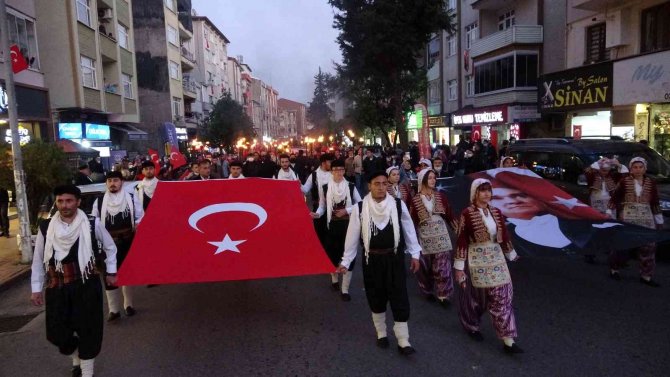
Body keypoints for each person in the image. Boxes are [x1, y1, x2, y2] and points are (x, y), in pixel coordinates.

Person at [30, 185, 118, 377]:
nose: (64, 205)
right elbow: (38, 260)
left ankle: (86, 370)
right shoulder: (46, 227)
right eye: (60, 201)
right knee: (55, 332)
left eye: (69, 201)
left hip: (86, 284)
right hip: (57, 286)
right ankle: (76, 355)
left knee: (89, 329)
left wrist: (111, 271)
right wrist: (36, 288)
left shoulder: (92, 223)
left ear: (78, 202)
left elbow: (111, 248)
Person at [338, 171, 422, 355]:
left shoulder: (398, 205)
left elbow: (409, 230)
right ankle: (381, 333)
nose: (381, 187)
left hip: (395, 259)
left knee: (399, 295)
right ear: (369, 186)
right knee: (376, 296)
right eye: (377, 183)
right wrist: (346, 261)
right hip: (372, 260)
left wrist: (415, 254)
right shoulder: (360, 209)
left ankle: (403, 339)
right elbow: (351, 238)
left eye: (385, 183)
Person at [454, 179, 523, 354]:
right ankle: (472, 325)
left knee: (503, 296)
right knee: (477, 299)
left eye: (489, 190)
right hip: (476, 259)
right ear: (475, 193)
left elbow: (504, 236)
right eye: (482, 190)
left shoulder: (497, 212)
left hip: (496, 258)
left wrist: (512, 254)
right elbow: (461, 240)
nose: (487, 194)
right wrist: (459, 267)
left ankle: (508, 340)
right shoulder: (467, 213)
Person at [92, 171, 143, 321]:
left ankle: (128, 305)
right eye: (109, 181)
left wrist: (139, 226)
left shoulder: (131, 198)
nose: (112, 183)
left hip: (127, 242)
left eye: (115, 180)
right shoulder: (99, 201)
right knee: (109, 275)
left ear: (121, 182)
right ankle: (113, 310)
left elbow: (140, 217)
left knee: (126, 273)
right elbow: (94, 222)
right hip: (107, 245)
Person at [311, 159, 362, 300]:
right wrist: (318, 213)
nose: (339, 172)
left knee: (349, 256)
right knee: (332, 255)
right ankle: (334, 279)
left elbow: (361, 204)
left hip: (349, 227)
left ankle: (345, 289)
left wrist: (346, 210)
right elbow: (322, 205)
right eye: (336, 170)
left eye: (341, 170)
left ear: (344, 171)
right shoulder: (326, 187)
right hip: (332, 226)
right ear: (331, 171)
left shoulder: (351, 186)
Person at [609, 157, 663, 286]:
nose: (638, 170)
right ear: (631, 169)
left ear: (645, 168)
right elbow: (615, 198)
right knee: (622, 245)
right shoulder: (624, 181)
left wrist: (659, 220)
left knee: (648, 246)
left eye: (640, 167)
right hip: (628, 218)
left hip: (646, 219)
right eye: (635, 167)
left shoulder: (651, 182)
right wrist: (609, 214)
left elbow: (655, 202)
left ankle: (646, 275)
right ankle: (614, 269)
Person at [409, 168, 458, 307]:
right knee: (425, 268)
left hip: (441, 235)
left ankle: (444, 295)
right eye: (430, 178)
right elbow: (411, 221)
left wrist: (458, 230)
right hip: (424, 237)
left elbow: (449, 214)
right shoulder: (415, 199)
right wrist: (411, 241)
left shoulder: (440, 196)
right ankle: (427, 290)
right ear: (422, 180)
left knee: (443, 267)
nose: (433, 180)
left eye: (434, 178)